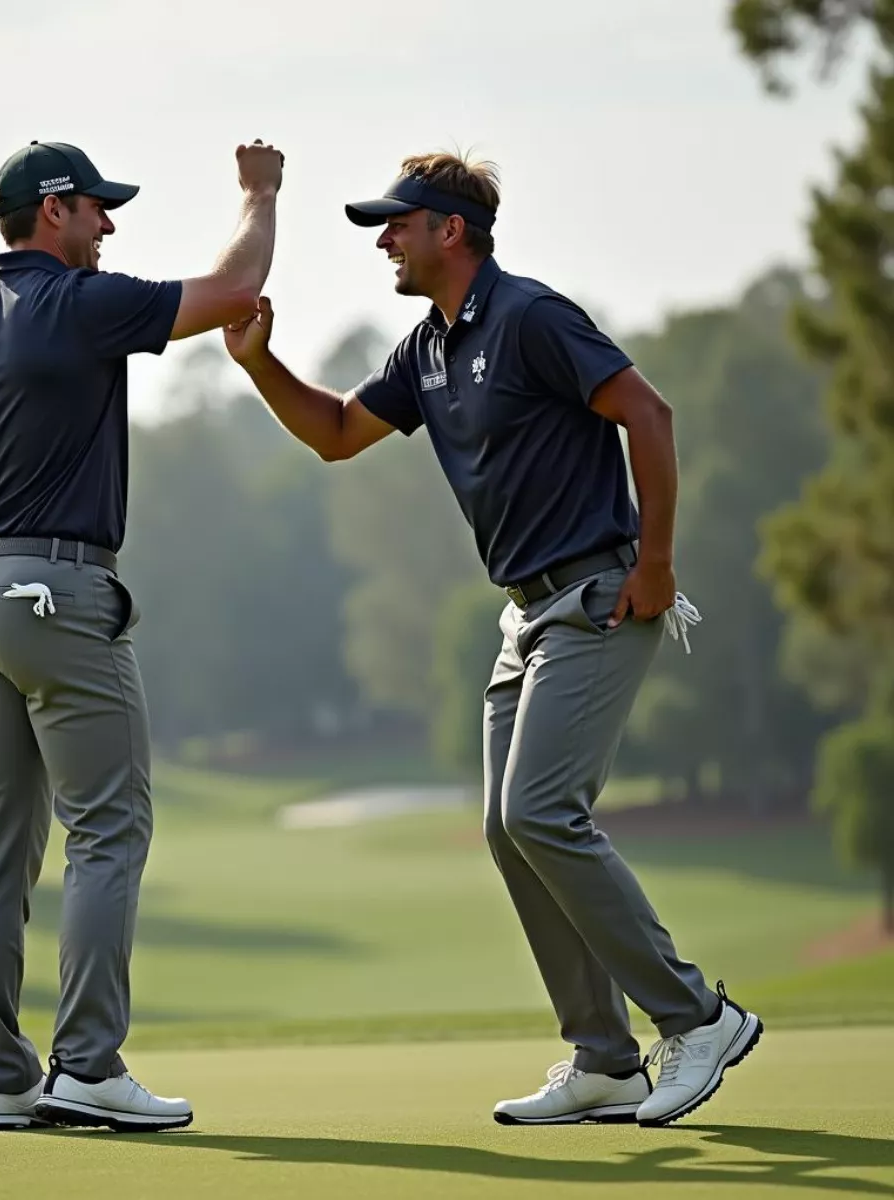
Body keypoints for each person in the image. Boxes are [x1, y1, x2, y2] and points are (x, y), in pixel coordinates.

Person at [221, 151, 761, 1129]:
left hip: (599, 596)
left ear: (450, 231)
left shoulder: (530, 317)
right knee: (509, 833)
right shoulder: (426, 349)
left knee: (542, 812)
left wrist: (658, 567)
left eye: (397, 223)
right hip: (525, 615)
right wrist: (259, 364)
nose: (383, 239)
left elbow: (648, 411)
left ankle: (700, 1018)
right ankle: (605, 1059)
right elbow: (338, 433)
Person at [0, 136, 284, 1132]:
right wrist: (259, 192)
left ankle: (3, 1081)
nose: (109, 224)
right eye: (96, 208)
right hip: (57, 593)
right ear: (53, 212)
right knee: (108, 829)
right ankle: (86, 1067)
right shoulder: (86, 305)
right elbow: (236, 285)